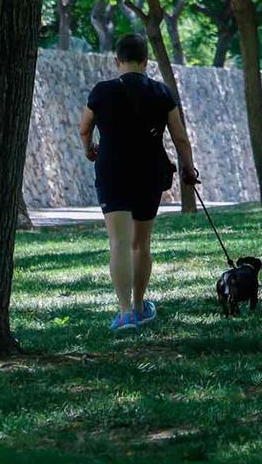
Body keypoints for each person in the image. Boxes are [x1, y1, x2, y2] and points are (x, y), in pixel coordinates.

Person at [80, 34, 198, 331]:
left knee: (118, 242)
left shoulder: (101, 91)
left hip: (112, 172)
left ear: (116, 60)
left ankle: (124, 314)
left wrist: (89, 148)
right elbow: (180, 136)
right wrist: (189, 168)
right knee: (140, 244)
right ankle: (138, 305)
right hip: (149, 171)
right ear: (146, 62)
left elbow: (84, 129)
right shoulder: (161, 92)